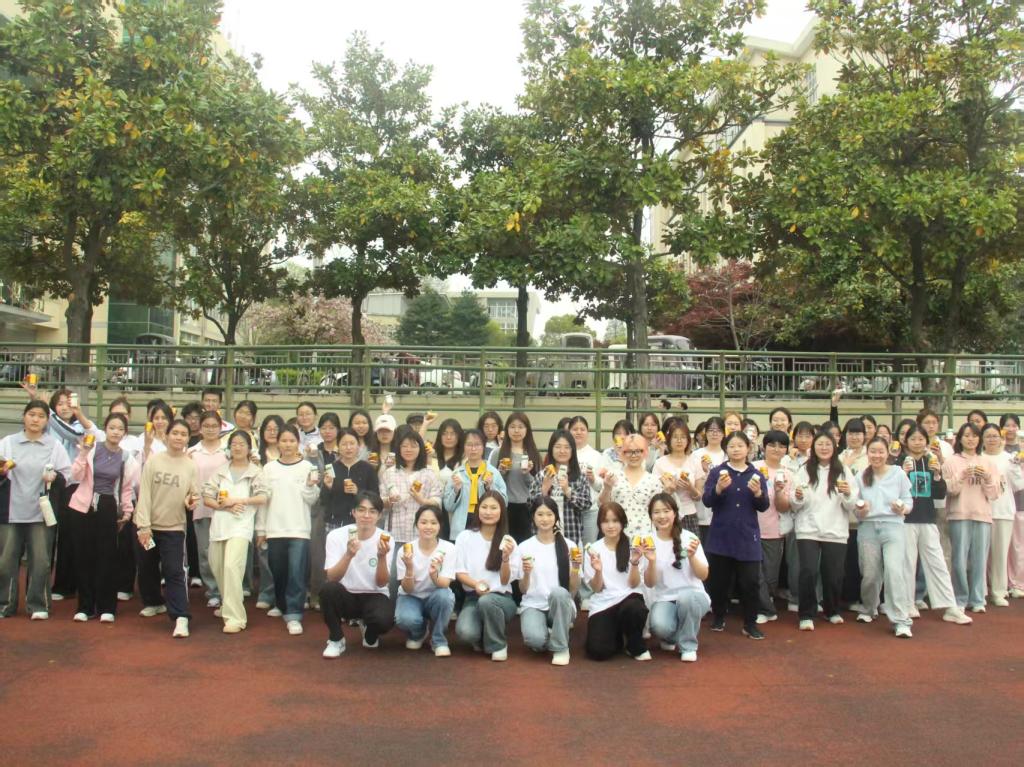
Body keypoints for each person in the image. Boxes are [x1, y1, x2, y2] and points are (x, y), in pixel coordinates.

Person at [0, 400, 72, 619]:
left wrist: (55, 477)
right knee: (5, 561)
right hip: (11, 511)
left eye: (41, 416)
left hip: (41, 513)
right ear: (24, 416)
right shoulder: (7, 443)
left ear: (47, 421)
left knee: (41, 561)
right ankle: (5, 604)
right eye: (32, 414)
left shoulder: (54, 446)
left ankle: (38, 605)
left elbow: (67, 475)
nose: (35, 419)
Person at [67, 412, 139, 623]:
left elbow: (126, 488)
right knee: (84, 556)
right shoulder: (92, 449)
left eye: (120, 429)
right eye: (112, 428)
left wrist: (127, 512)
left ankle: (107, 607)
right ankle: (85, 607)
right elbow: (75, 475)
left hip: (108, 505)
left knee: (108, 557)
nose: (115, 432)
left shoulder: (127, 458)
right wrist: (83, 453)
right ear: (105, 429)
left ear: (125, 433)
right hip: (83, 506)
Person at [898, 425, 972, 625]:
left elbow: (939, 494)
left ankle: (950, 607)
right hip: (905, 520)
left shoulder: (931, 461)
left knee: (937, 563)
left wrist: (938, 475)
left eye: (921, 439)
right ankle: (907, 604)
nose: (917, 442)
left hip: (928, 519)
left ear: (926, 441)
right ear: (906, 441)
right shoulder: (899, 461)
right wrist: (903, 473)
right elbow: (893, 490)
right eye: (913, 439)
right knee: (907, 564)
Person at [134, 419, 199, 638]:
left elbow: (193, 493)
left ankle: (181, 616)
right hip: (149, 527)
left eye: (183, 434)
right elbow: (144, 494)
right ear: (167, 435)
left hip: (174, 528)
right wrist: (143, 526)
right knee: (147, 567)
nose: (179, 437)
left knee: (174, 570)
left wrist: (191, 501)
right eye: (175, 433)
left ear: (188, 438)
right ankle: (154, 602)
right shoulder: (154, 461)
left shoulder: (190, 465)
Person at [702, 431, 770, 639]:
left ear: (748, 448)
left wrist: (758, 493)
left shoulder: (756, 474)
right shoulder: (717, 472)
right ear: (726, 449)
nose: (736, 449)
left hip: (747, 536)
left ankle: (750, 623)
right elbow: (707, 500)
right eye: (731, 446)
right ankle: (719, 616)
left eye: (740, 445)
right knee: (719, 581)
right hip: (721, 535)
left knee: (750, 582)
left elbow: (764, 505)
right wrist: (718, 489)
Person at [789, 430, 859, 631]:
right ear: (813, 447)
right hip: (808, 528)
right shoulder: (804, 470)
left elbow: (851, 504)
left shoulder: (843, 471)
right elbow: (795, 503)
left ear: (834, 447)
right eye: (820, 444)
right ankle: (806, 614)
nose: (824, 447)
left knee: (834, 574)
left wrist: (848, 494)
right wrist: (798, 497)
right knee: (808, 572)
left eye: (828, 444)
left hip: (835, 529)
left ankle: (832, 610)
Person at [202, 430, 267, 633]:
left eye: (242, 444)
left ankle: (236, 618)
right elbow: (207, 497)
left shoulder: (255, 472)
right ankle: (227, 604)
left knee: (232, 567)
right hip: (219, 526)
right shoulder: (221, 471)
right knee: (218, 566)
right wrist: (224, 506)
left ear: (249, 448)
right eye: (234, 444)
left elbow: (262, 497)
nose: (238, 447)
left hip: (241, 526)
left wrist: (238, 501)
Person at [259, 424, 320, 635]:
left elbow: (312, 499)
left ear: (298, 443)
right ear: (278, 443)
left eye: (292, 441)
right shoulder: (269, 469)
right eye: (284, 441)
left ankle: (294, 614)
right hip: (274, 529)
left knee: (296, 572)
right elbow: (263, 501)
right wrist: (261, 530)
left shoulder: (307, 467)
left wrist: (310, 486)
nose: (287, 445)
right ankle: (281, 603)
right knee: (278, 571)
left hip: (299, 529)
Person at [319, 492, 395, 658]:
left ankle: (370, 632)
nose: (366, 515)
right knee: (327, 590)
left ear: (379, 515)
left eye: (372, 511)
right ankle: (336, 639)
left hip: (374, 594)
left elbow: (382, 583)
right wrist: (348, 555)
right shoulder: (336, 536)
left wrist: (381, 557)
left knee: (384, 620)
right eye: (361, 510)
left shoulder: (386, 538)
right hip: (346, 594)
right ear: (353, 512)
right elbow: (332, 577)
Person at [853, 436, 915, 638]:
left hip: (893, 526)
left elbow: (908, 502)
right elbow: (855, 506)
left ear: (888, 453)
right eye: (873, 451)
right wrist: (861, 510)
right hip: (868, 527)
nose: (877, 455)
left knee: (894, 572)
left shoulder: (898, 473)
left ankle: (901, 620)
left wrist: (901, 509)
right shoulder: (861, 476)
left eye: (881, 451)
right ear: (867, 453)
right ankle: (869, 607)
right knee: (870, 573)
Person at [454, 491, 521, 661]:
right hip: (473, 597)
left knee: (487, 601)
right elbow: (459, 572)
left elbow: (505, 580)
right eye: (484, 507)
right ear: (477, 510)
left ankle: (498, 645)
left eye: (493, 508)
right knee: (465, 632)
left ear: (501, 511)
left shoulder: (508, 541)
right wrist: (475, 585)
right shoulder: (465, 537)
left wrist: (505, 558)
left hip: (502, 600)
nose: (488, 512)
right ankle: (484, 635)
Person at [644, 493, 710, 662]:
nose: (662, 516)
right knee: (659, 626)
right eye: (656, 512)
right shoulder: (648, 542)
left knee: (686, 598)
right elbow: (649, 583)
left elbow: (704, 575)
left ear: (675, 513)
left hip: (694, 596)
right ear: (651, 516)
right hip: (665, 598)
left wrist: (692, 557)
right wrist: (651, 561)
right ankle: (673, 636)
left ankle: (688, 646)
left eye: (666, 511)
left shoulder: (689, 537)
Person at [518, 497, 581, 666]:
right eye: (540, 514)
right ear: (533, 517)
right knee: (535, 641)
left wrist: (575, 568)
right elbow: (523, 590)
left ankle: (561, 647)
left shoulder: (569, 546)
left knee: (559, 593)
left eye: (549, 514)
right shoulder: (524, 547)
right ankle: (554, 633)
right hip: (533, 605)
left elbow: (572, 591)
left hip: (561, 605)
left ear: (556, 517)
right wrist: (526, 573)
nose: (544, 519)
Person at [583, 502, 650, 661]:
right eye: (605, 521)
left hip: (628, 599)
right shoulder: (593, 550)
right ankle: (618, 635)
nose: (611, 526)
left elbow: (634, 584)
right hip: (604, 603)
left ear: (623, 522)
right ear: (599, 524)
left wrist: (634, 562)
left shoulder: (634, 546)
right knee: (598, 652)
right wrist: (598, 570)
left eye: (615, 521)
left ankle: (634, 644)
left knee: (634, 608)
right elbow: (597, 589)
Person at [942, 423, 999, 612]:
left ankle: (977, 599)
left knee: (979, 559)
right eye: (966, 435)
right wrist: (962, 475)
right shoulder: (951, 462)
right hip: (959, 514)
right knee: (959, 559)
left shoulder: (987, 463)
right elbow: (949, 490)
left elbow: (994, 493)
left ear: (979, 439)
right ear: (960, 438)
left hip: (982, 515)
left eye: (974, 436)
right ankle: (960, 598)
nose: (970, 439)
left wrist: (987, 478)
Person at [381, 428, 442, 596]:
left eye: (414, 446)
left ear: (420, 449)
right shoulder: (389, 473)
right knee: (393, 577)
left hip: (421, 536)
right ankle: (392, 609)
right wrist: (389, 500)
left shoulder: (428, 474)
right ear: (398, 448)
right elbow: (380, 502)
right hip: (395, 534)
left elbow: (438, 502)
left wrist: (423, 501)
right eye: (404, 446)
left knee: (420, 576)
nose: (409, 449)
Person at [395, 506, 457, 657]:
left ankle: (438, 640)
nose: (428, 527)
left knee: (445, 597)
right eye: (423, 522)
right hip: (411, 596)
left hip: (436, 595)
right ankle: (419, 632)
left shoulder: (449, 548)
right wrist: (409, 568)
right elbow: (407, 589)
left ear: (440, 525)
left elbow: (445, 584)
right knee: (405, 619)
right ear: (416, 524)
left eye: (433, 523)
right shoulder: (405, 549)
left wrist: (434, 575)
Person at [187, 411, 229, 609]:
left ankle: (227, 591)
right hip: (202, 508)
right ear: (200, 428)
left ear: (221, 427)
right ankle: (212, 590)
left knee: (225, 551)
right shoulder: (192, 452)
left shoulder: (228, 451)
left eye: (214, 426)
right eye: (206, 426)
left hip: (225, 508)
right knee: (205, 552)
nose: (210, 429)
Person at [754, 430, 792, 624]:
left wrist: (778, 492)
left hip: (774, 530)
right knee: (754, 572)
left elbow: (784, 507)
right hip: (751, 528)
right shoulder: (753, 468)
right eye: (772, 445)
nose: (776, 449)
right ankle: (764, 609)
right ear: (764, 447)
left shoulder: (788, 474)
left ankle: (766, 603)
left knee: (770, 575)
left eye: (781, 446)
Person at [528, 430, 591, 545]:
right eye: (558, 447)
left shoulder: (580, 477)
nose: (562, 451)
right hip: (542, 538)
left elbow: (586, 504)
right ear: (551, 449)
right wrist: (544, 490)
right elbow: (530, 505)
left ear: (573, 450)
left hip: (571, 535)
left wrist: (568, 491)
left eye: (567, 447)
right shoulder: (542, 475)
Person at [443, 430, 508, 540]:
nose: (473, 449)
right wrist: (456, 490)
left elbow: (504, 502)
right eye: (469, 445)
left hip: (487, 524)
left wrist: (490, 487)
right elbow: (448, 506)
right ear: (463, 447)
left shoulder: (493, 472)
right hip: (461, 526)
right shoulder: (457, 473)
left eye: (477, 445)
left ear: (483, 447)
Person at [982, 423, 1020, 606]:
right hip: (981, 511)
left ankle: (998, 591)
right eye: (988, 436)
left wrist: (1017, 467)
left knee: (1000, 554)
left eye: (995, 436)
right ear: (982, 439)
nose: (991, 439)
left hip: (1003, 511)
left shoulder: (1009, 459)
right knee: (979, 555)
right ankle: (980, 591)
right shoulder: (978, 458)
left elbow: (1019, 485)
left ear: (1001, 438)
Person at [489, 411, 541, 543]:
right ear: (506, 430)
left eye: (520, 427)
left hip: (527, 508)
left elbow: (538, 486)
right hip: (504, 506)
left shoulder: (533, 453)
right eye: (512, 427)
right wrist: (501, 472)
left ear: (527, 430)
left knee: (525, 546)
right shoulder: (497, 453)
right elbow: (491, 483)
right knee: (503, 545)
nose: (516, 430)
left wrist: (526, 474)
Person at [598, 434, 661, 540]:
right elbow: (602, 505)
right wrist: (607, 488)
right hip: (617, 534)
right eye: (629, 451)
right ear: (623, 453)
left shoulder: (653, 480)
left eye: (638, 451)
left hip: (646, 536)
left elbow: (658, 510)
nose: (634, 455)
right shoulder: (613, 475)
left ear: (645, 452)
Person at [653, 421, 700, 534]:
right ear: (669, 439)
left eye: (683, 437)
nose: (679, 441)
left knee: (690, 544)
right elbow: (655, 495)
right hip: (666, 515)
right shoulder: (660, 463)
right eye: (675, 437)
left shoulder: (695, 461)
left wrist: (690, 488)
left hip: (689, 514)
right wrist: (668, 490)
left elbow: (699, 497)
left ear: (688, 440)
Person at [691, 416, 727, 541]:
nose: (714, 433)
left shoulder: (727, 455)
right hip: (701, 512)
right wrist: (705, 475)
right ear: (705, 433)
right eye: (711, 430)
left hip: (722, 512)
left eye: (718, 430)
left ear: (723, 433)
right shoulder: (696, 455)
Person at [1000, 414, 1024, 599]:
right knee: (1002, 546)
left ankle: (1017, 583)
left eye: (1014, 425)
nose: (1010, 429)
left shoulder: (1022, 448)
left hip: (1020, 501)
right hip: (1001, 503)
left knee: (1018, 545)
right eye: (1007, 425)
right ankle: (1001, 582)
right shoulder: (996, 448)